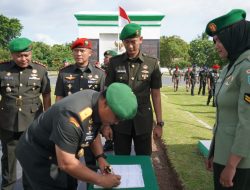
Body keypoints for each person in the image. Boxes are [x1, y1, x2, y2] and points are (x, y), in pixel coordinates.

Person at [15, 82, 138, 190]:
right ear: (105, 103)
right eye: (117, 117)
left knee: (70, 184)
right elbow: (66, 163)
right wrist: (101, 180)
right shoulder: (71, 116)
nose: (116, 122)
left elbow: (91, 130)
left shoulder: (96, 100)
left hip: (60, 150)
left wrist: (100, 157)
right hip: (38, 154)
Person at [102, 23, 163, 156]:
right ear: (122, 42)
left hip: (143, 120)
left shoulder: (152, 63)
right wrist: (106, 124)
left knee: (144, 158)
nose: (130, 46)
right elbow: (107, 94)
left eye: (133, 42)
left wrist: (159, 123)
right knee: (122, 158)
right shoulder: (115, 62)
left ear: (140, 39)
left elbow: (156, 94)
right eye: (126, 42)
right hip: (120, 120)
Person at [205, 9, 250, 190]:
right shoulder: (229, 68)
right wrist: (214, 152)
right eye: (215, 41)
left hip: (240, 163)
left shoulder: (246, 68)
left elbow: (247, 122)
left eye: (219, 40)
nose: (216, 46)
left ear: (234, 37)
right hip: (224, 156)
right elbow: (223, 118)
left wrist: (231, 165)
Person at [0, 37, 51, 190]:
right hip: (7, 122)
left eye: (26, 55)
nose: (23, 59)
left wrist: (46, 117)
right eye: (19, 55)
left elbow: (46, 94)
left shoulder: (40, 70)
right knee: (9, 158)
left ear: (31, 53)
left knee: (31, 158)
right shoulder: (2, 70)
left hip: (32, 121)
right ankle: (7, 187)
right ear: (12, 55)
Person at [55, 38, 106, 168]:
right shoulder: (64, 73)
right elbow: (59, 98)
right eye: (76, 51)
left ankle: (92, 185)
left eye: (82, 51)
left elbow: (104, 101)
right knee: (69, 163)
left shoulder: (99, 74)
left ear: (90, 52)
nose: (78, 54)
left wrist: (105, 125)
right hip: (69, 123)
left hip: (91, 124)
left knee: (92, 162)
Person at [101, 50, 117, 152]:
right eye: (105, 57)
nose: (105, 59)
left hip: (114, 100)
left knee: (114, 122)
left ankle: (112, 142)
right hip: (104, 99)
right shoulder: (103, 70)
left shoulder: (116, 70)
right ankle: (109, 141)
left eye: (108, 57)